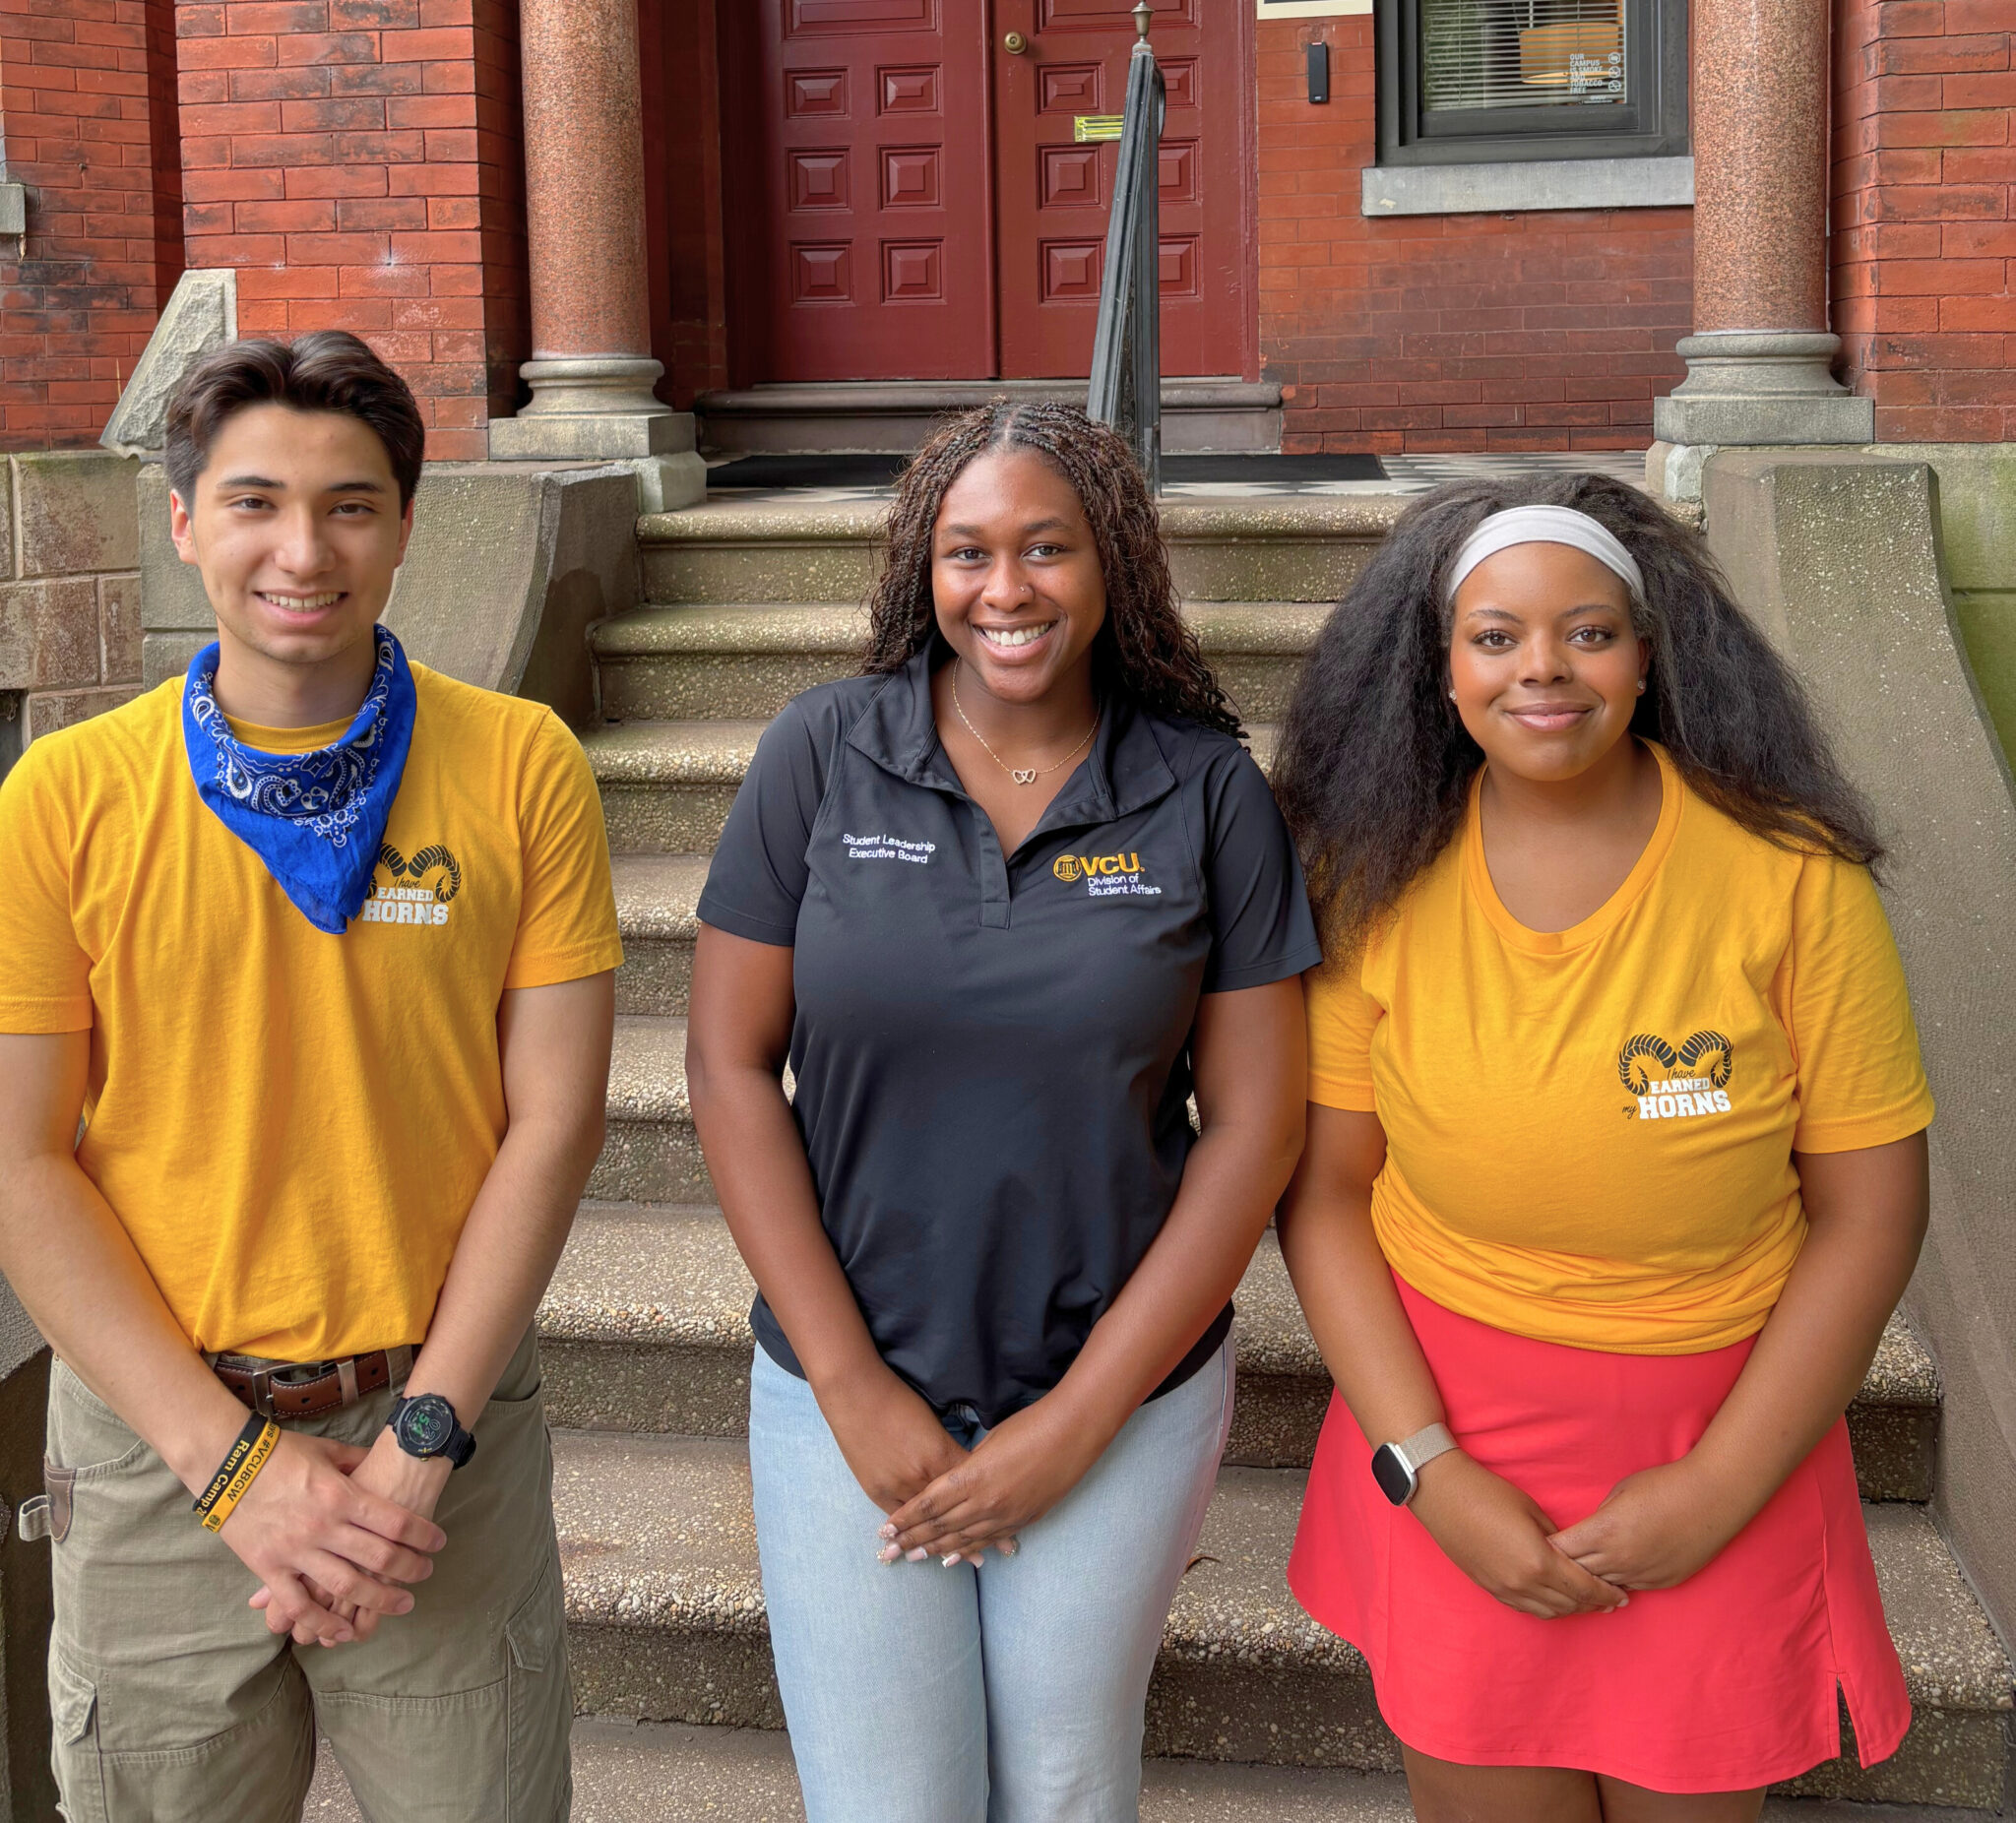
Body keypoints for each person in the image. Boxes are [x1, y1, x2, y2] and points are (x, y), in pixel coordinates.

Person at [0, 332, 623, 1821]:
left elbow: (554, 1123)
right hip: (158, 1446)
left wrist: (418, 1450)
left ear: (407, 526)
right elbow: (22, 1162)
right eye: (255, 501)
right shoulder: (67, 798)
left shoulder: (523, 766)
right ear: (183, 522)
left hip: (437, 1426)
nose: (303, 549)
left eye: (351, 506)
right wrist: (231, 1471)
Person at [685, 402, 1320, 1822]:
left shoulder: (1206, 792)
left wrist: (1081, 1417)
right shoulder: (822, 752)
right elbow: (730, 1066)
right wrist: (850, 1387)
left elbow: (1258, 1130)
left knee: (1065, 1786)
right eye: (969, 552)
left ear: (1113, 568)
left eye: (1048, 547)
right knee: (884, 1802)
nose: (1007, 589)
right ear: (925, 569)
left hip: (1120, 1397)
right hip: (847, 1390)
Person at [1270, 476, 1933, 1823]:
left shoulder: (1791, 875)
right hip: (1449, 1428)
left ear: (1648, 656)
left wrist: (1718, 1488)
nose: (1543, 671)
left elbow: (1871, 1217)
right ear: (1441, 667)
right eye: (1497, 636)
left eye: (1588, 632)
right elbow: (1329, 1199)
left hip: (1721, 1433)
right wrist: (1428, 1472)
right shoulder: (1372, 874)